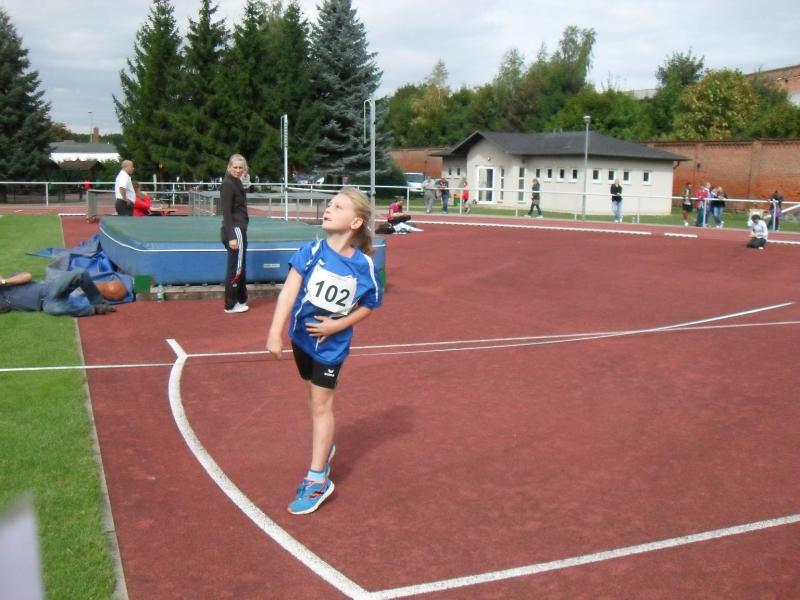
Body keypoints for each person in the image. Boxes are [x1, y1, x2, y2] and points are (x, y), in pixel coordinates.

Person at [266, 187, 382, 515]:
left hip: (332, 348)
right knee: (313, 398)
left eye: (338, 206)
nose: (329, 209)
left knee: (321, 404)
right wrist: (274, 331)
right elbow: (288, 293)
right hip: (300, 340)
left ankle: (317, 479)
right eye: (329, 205)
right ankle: (325, 443)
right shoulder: (310, 251)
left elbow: (369, 305)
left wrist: (337, 325)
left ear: (356, 222)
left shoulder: (363, 265)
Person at [0, 269, 118, 316]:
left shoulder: (11, 280)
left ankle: (97, 301)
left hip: (48, 288)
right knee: (54, 310)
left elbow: (27, 275)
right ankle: (95, 309)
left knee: (80, 273)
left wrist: (5, 281)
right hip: (45, 304)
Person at [220, 154, 250, 314]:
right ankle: (230, 304)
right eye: (235, 167)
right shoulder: (227, 184)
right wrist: (232, 236)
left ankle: (240, 298)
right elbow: (226, 212)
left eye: (240, 167)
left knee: (240, 265)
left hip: (239, 228)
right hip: (235, 230)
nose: (238, 170)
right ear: (229, 167)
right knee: (236, 268)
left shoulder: (237, 182)